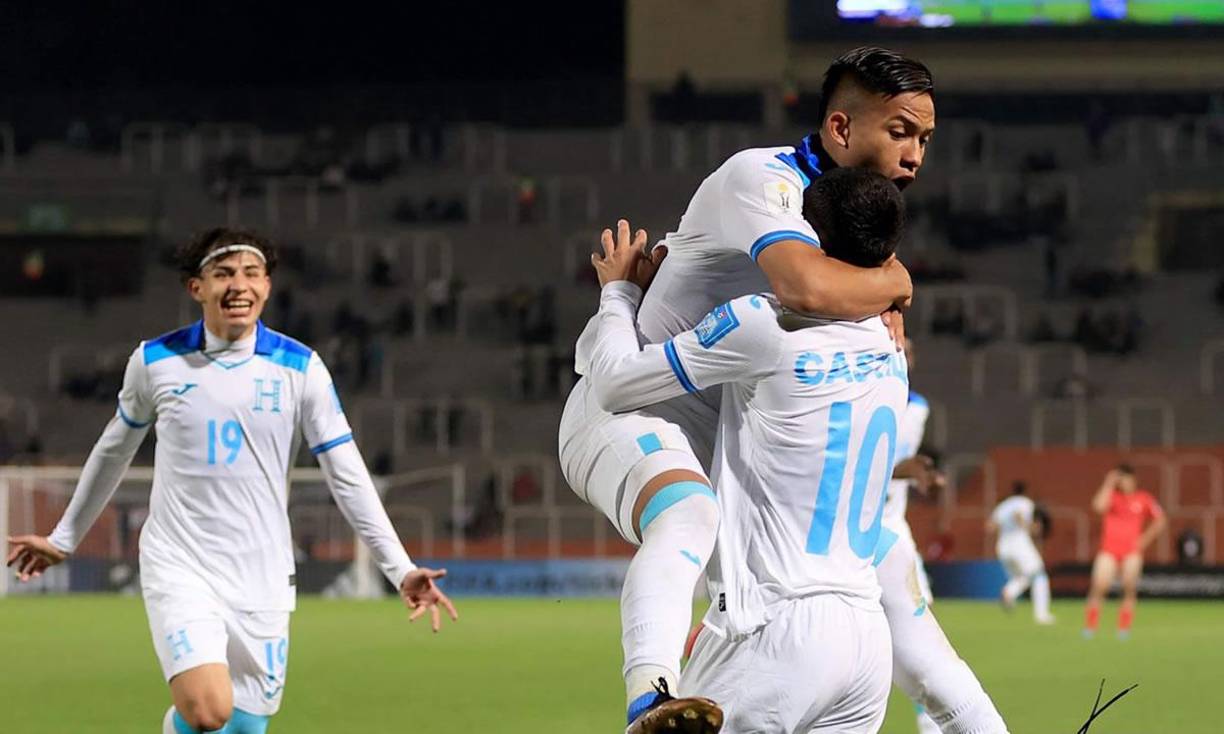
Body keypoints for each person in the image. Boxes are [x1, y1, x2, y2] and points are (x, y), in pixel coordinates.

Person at [559, 46, 924, 731]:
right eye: (900, 132)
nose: (915, 156)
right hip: (625, 400)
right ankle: (651, 696)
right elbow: (804, 287)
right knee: (691, 515)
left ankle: (696, 673)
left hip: (713, 424)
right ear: (842, 130)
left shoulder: (842, 221)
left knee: (739, 570)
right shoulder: (762, 179)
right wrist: (898, 286)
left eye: (925, 139)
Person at [6, 228, 457, 734]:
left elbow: (347, 473)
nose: (238, 285)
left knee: (241, 726)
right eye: (223, 274)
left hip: (260, 574)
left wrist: (399, 569)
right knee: (207, 710)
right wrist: (64, 537)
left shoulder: (301, 368)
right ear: (196, 287)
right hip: (181, 564)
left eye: (251, 274)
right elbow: (114, 449)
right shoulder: (155, 362)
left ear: (267, 286)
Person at [876, 339, 1007, 734]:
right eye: (898, 346)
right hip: (844, 535)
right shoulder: (852, 393)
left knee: (923, 644)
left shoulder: (916, 407)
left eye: (910, 350)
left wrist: (923, 477)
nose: (903, 353)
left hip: (891, 529)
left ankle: (930, 723)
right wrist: (902, 471)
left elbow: (901, 460)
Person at [1084, 464, 1166, 640]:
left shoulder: (1144, 498)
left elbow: (1160, 520)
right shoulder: (1112, 497)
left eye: (1126, 478)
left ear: (1134, 479)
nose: (1124, 483)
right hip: (1108, 549)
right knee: (1099, 586)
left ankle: (1123, 629)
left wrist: (1144, 540)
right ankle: (1090, 627)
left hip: (1131, 552)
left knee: (1129, 588)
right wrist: (1108, 483)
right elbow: (1097, 506)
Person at [987, 482, 1055, 625]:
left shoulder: (1003, 506)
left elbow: (990, 527)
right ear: (1025, 491)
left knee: (1023, 577)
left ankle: (1009, 592)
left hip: (1003, 547)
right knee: (1039, 574)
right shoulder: (1025, 503)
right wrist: (1029, 527)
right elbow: (1017, 515)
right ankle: (1041, 615)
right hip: (1019, 543)